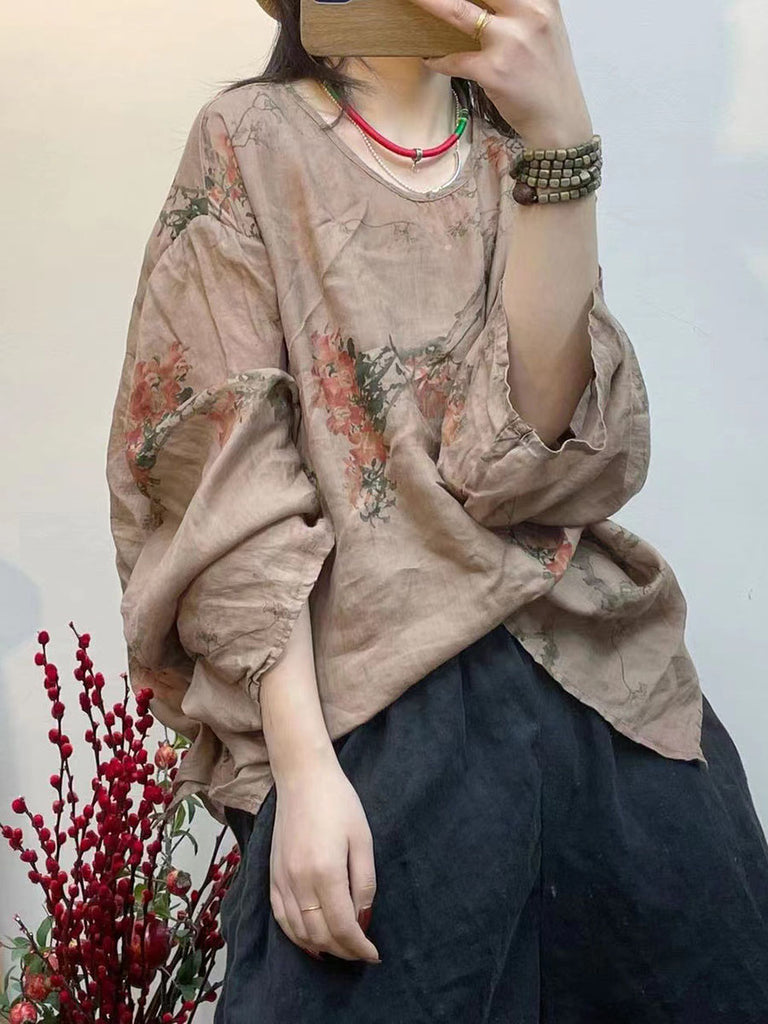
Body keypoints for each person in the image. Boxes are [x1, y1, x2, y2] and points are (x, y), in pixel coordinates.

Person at [105, 0, 768, 1018]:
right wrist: (302, 770)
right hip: (378, 722)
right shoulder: (252, 139)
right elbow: (224, 481)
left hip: (596, 695)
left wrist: (561, 139)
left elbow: (524, 462)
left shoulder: (511, 150)